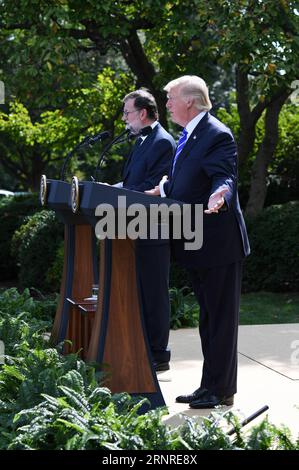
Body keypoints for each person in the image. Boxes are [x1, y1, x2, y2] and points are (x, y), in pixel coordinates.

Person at [145, 76, 250, 407]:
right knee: (208, 319)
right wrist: (163, 190)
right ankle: (210, 385)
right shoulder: (188, 135)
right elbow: (188, 181)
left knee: (220, 319)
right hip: (197, 241)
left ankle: (222, 390)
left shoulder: (216, 134)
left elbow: (224, 176)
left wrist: (222, 193)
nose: (168, 104)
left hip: (218, 243)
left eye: (171, 98)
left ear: (190, 101)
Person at [119, 89, 176, 371]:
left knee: (154, 292)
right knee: (140, 292)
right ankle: (142, 348)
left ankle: (158, 354)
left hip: (154, 229)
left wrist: (119, 193)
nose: (124, 119)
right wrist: (111, 190)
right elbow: (132, 183)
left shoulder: (163, 142)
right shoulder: (141, 142)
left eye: (127, 113)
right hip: (132, 228)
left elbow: (154, 186)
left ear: (143, 113)